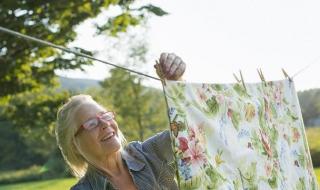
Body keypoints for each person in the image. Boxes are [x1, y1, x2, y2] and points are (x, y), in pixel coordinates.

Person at [55, 53, 186, 190]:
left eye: (105, 116)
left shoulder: (150, 153)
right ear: (74, 145)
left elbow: (190, 132)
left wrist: (176, 83)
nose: (105, 124)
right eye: (91, 123)